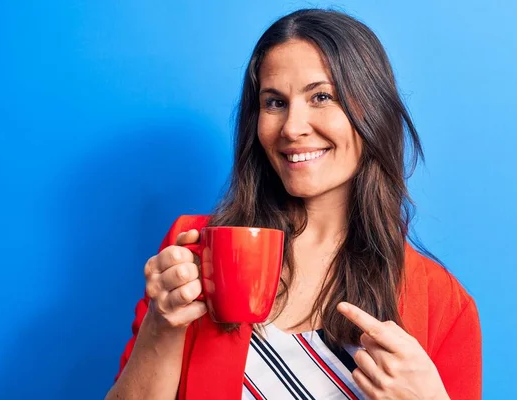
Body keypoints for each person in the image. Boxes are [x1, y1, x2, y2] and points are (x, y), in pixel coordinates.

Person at [105, 8, 482, 400]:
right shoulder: (195, 251)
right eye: (274, 103)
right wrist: (161, 325)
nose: (292, 127)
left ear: (372, 109)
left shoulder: (444, 305)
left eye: (321, 97)